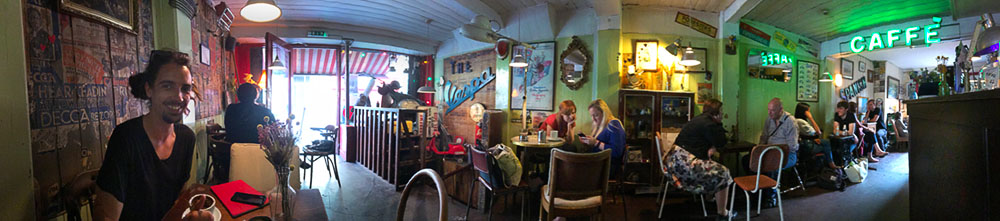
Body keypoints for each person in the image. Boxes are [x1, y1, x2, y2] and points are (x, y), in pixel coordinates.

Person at [94, 50, 201, 220]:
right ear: (149, 89)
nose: (179, 97)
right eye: (167, 86)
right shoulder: (126, 138)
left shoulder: (186, 138)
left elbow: (177, 201)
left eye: (185, 89)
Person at [668, 99, 735, 220]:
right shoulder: (710, 124)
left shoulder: (698, 119)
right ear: (716, 113)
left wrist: (712, 147)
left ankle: (710, 198)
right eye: (721, 112)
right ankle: (723, 213)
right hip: (685, 167)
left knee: (711, 165)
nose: (723, 114)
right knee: (723, 173)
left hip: (673, 164)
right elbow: (722, 142)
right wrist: (719, 124)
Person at [220, 83, 275, 182]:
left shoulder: (231, 109)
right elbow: (273, 132)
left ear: (238, 95)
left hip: (232, 154)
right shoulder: (265, 111)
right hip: (260, 155)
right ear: (255, 95)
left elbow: (229, 130)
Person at [579, 99, 626, 176]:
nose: (593, 119)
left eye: (596, 115)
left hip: (608, 166)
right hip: (598, 163)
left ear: (604, 113)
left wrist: (596, 142)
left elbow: (617, 152)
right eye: (591, 116)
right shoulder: (600, 126)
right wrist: (587, 142)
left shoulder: (614, 124)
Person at [794, 103, 839, 169]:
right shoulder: (801, 122)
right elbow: (818, 132)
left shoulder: (796, 120)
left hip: (805, 142)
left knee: (826, 142)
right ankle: (831, 165)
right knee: (827, 146)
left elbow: (806, 134)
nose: (809, 113)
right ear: (804, 112)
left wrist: (814, 139)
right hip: (807, 146)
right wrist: (811, 118)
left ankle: (830, 164)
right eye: (808, 111)